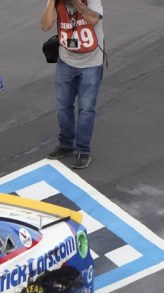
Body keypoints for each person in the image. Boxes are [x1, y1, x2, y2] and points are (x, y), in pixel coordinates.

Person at [41, 0, 104, 169]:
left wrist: (76, 2)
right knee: (63, 106)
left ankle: (83, 150)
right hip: (66, 60)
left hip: (91, 62)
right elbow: (45, 25)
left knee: (86, 108)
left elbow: (94, 19)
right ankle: (66, 144)